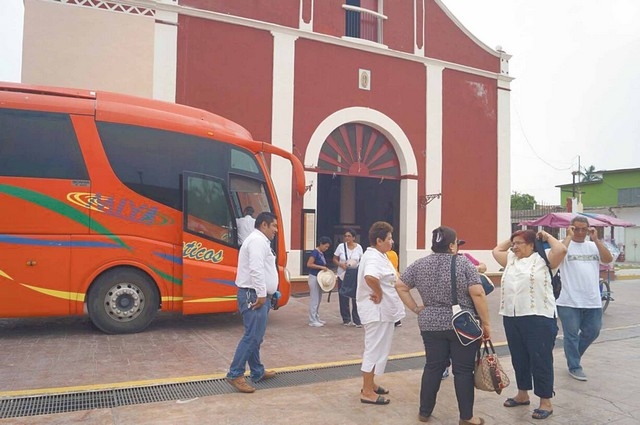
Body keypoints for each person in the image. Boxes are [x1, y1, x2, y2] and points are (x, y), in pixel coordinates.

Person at [396, 226, 490, 425]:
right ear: (451, 245)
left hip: (430, 324)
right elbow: (478, 293)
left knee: (433, 367)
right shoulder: (463, 263)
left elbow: (401, 285)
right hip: (462, 324)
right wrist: (486, 323)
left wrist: (415, 308)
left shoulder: (419, 264)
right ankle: (467, 417)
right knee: (463, 371)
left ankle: (424, 412)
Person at [492, 229, 567, 420]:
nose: (514, 247)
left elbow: (562, 250)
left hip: (539, 317)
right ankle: (522, 393)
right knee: (519, 357)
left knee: (540, 359)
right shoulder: (510, 259)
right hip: (512, 316)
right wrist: (512, 240)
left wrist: (546, 236)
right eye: (513, 243)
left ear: (532, 245)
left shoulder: (544, 260)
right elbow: (495, 251)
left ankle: (545, 401)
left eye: (519, 243)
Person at [226, 212, 279, 393]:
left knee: (256, 336)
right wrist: (262, 294)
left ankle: (257, 371)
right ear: (264, 225)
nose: (276, 231)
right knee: (252, 336)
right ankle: (235, 374)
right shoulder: (257, 241)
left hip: (256, 294)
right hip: (253, 295)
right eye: (274, 226)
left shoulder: (260, 241)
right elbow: (256, 269)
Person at [557, 216, 613, 381]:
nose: (580, 233)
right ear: (571, 228)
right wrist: (568, 237)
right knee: (571, 335)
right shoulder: (564, 244)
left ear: (589, 229)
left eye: (584, 229)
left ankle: (572, 355)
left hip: (592, 299)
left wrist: (595, 239)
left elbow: (608, 259)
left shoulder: (593, 246)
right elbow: (556, 258)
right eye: (576, 229)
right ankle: (574, 366)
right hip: (568, 300)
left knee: (593, 331)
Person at [357, 221, 406, 405]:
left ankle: (371, 384)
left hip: (384, 312)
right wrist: (378, 293)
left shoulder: (380, 255)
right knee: (373, 349)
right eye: (389, 238)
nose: (392, 242)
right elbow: (370, 277)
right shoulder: (373, 258)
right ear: (379, 240)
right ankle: (367, 391)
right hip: (376, 312)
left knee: (379, 349)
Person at [442, 241, 488, 380]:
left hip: (467, 311)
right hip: (449, 310)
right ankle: (446, 365)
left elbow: (483, 267)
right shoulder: (441, 261)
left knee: (466, 340)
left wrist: (472, 269)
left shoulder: (465, 258)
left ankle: (466, 365)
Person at [333, 228, 364, 327]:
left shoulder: (359, 248)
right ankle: (346, 318)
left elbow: (361, 260)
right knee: (343, 296)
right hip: (343, 274)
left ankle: (356, 319)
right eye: (345, 236)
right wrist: (341, 265)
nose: (347, 238)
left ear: (354, 238)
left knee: (355, 296)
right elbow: (335, 259)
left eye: (349, 236)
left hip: (354, 274)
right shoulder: (341, 247)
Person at [307, 236, 332, 327]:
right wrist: (321, 267)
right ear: (321, 244)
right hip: (314, 277)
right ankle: (312, 319)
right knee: (314, 299)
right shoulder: (315, 252)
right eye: (325, 246)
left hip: (320, 278)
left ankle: (316, 317)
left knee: (318, 298)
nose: (326, 248)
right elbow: (309, 264)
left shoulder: (321, 253)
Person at [386, 249, 402, 328]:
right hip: (396, 275)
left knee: (389, 300)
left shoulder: (385, 255)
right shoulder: (394, 253)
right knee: (395, 299)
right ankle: (397, 319)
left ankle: (393, 319)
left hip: (389, 277)